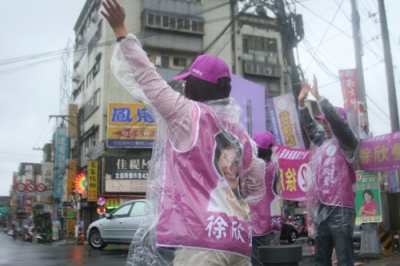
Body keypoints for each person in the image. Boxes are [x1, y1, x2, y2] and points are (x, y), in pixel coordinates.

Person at [101, 1, 265, 265]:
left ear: (193, 87)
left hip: (200, 241)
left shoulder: (187, 115)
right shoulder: (241, 135)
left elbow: (147, 79)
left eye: (187, 82)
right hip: (238, 240)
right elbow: (256, 185)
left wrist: (121, 30)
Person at [298, 75, 359, 265]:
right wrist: (301, 103)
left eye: (327, 122)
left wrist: (319, 97)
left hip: (341, 209)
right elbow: (309, 126)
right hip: (323, 208)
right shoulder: (323, 143)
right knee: (321, 258)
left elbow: (340, 125)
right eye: (323, 122)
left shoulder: (348, 143)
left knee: (344, 258)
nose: (324, 126)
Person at [249, 131, 283, 266]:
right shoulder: (274, 167)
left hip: (257, 218)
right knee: (271, 258)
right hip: (273, 217)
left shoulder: (254, 167)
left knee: (257, 258)